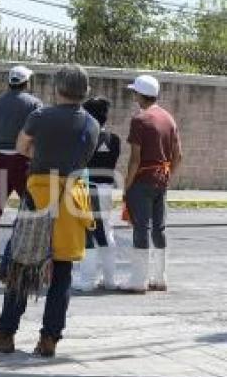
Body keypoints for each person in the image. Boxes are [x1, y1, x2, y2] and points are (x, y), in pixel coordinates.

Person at [0, 65, 99, 358]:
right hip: (72, 201)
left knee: (21, 265)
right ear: (85, 91)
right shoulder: (92, 124)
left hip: (39, 197)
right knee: (63, 272)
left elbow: (22, 147)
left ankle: (5, 333)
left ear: (58, 88)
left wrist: (41, 155)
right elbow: (85, 158)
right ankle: (49, 340)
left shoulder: (40, 116)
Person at [122, 75, 182, 293]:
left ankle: (138, 280)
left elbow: (135, 159)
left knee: (141, 227)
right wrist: (166, 177)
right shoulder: (169, 119)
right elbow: (178, 156)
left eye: (135, 92)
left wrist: (127, 185)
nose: (134, 96)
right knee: (159, 228)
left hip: (143, 179)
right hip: (161, 180)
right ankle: (159, 278)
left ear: (140, 94)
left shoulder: (140, 119)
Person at [0, 65, 43, 260]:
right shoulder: (34, 104)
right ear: (26, 82)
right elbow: (39, 135)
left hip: (1, 160)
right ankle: (25, 247)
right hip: (23, 161)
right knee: (31, 205)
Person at [74, 96, 121, 291]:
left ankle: (86, 282)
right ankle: (109, 280)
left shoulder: (85, 138)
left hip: (89, 188)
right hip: (106, 189)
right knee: (105, 231)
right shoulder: (114, 140)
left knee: (89, 233)